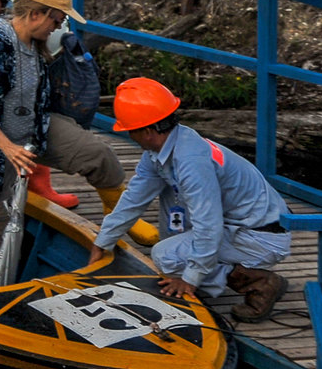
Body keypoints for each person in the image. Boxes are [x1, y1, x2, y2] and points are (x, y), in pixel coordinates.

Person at [0, 0, 125, 276]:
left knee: (98, 153)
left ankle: (120, 221)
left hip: (35, 130)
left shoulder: (36, 45)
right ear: (36, 14)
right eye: (56, 21)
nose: (57, 28)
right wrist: (8, 148)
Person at [89, 78, 291, 321]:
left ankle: (260, 283)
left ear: (148, 131)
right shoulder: (163, 150)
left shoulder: (192, 161)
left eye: (130, 130)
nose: (130, 136)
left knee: (166, 255)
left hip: (260, 236)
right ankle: (223, 275)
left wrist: (191, 279)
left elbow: (209, 224)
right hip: (242, 227)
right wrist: (104, 241)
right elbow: (133, 199)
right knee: (173, 245)